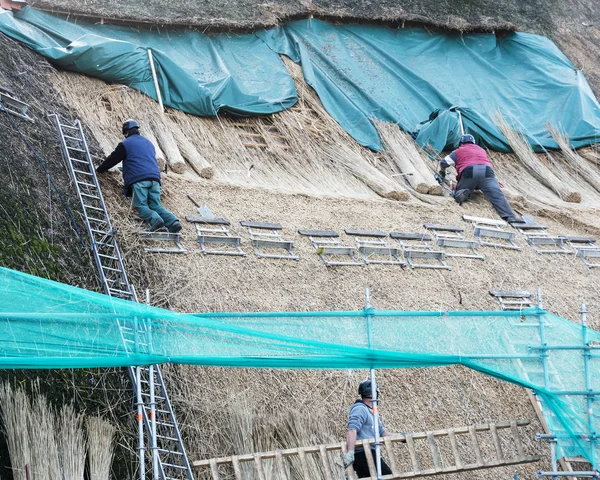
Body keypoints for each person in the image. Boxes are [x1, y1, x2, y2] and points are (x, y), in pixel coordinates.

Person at [96, 119, 181, 233]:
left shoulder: (125, 144)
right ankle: (173, 222)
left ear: (126, 132)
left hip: (139, 179)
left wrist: (100, 169)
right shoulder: (149, 143)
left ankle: (155, 220)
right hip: (155, 179)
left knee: (141, 205)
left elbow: (113, 159)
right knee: (156, 205)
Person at [438, 134, 521, 224]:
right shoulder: (481, 150)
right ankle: (510, 216)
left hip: (469, 171)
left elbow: (444, 162)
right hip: (487, 171)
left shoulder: (458, 151)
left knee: (459, 192)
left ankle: (463, 192)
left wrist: (442, 171)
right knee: (497, 195)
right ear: (473, 142)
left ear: (461, 143)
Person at [343, 380, 397, 478]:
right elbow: (352, 430)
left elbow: (382, 432)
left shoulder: (372, 412)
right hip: (362, 453)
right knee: (387, 476)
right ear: (372, 393)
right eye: (376, 391)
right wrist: (350, 452)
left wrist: (400, 436)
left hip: (369, 452)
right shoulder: (360, 409)